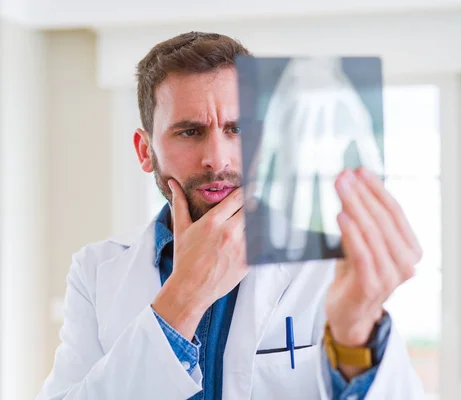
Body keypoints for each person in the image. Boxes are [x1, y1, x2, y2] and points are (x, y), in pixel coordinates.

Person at [37, 32, 424, 400]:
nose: (217, 159)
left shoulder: (326, 265)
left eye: (237, 128)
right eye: (189, 132)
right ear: (145, 151)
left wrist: (355, 332)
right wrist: (184, 296)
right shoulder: (95, 271)